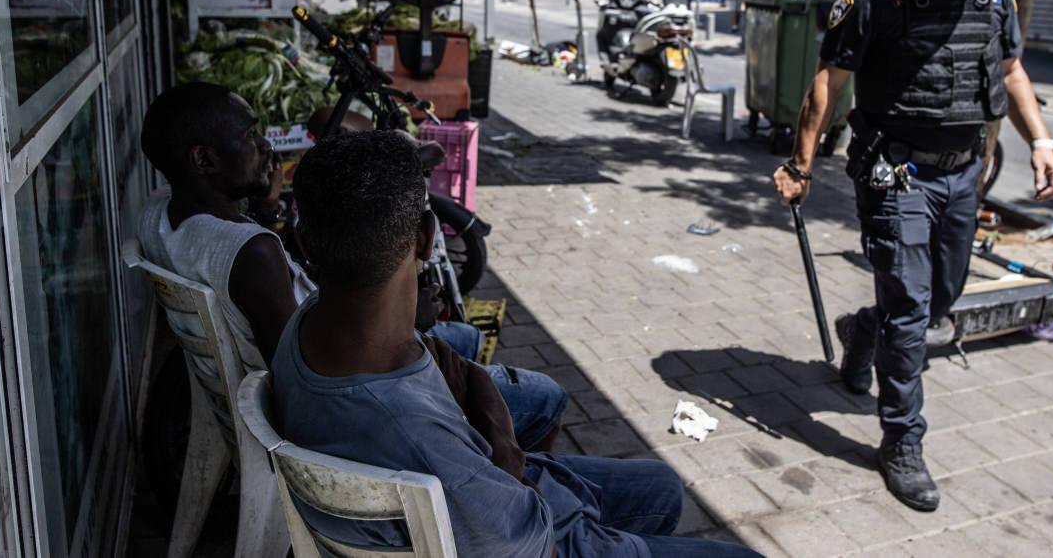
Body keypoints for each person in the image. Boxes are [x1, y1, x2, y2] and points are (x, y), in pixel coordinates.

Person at [274, 130, 763, 557]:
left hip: (473, 502)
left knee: (662, 488)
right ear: (426, 238)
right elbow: (533, 546)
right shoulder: (416, 437)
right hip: (538, 533)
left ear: (302, 243)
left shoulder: (305, 326)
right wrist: (498, 430)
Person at [771, 0, 1053, 512]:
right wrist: (800, 162)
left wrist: (1041, 141)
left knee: (938, 300)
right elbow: (829, 79)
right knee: (911, 309)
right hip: (893, 168)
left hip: (963, 174)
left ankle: (861, 331)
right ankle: (901, 439)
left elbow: (1013, 72)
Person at [137, 82, 566, 450]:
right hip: (353, 398)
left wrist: (267, 211)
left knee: (466, 338)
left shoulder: (158, 216)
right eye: (250, 136)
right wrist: (399, 321)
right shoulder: (253, 252)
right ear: (203, 160)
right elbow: (303, 372)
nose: (266, 145)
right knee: (545, 395)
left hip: (303, 370)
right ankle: (510, 482)